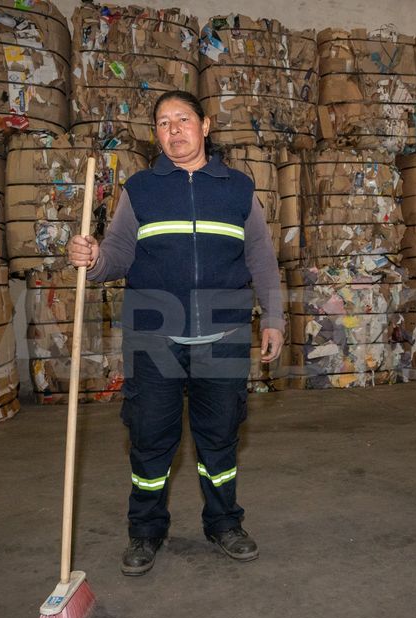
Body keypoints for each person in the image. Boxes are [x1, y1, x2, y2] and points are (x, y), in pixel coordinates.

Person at [68, 90, 284, 576]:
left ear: (205, 125)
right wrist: (92, 258)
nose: (173, 130)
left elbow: (262, 261)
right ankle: (145, 531)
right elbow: (118, 257)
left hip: (223, 332)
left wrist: (273, 318)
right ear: (156, 134)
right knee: (150, 438)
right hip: (154, 334)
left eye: (182, 119)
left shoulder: (237, 188)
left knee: (220, 439)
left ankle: (224, 522)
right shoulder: (141, 190)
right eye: (163, 123)